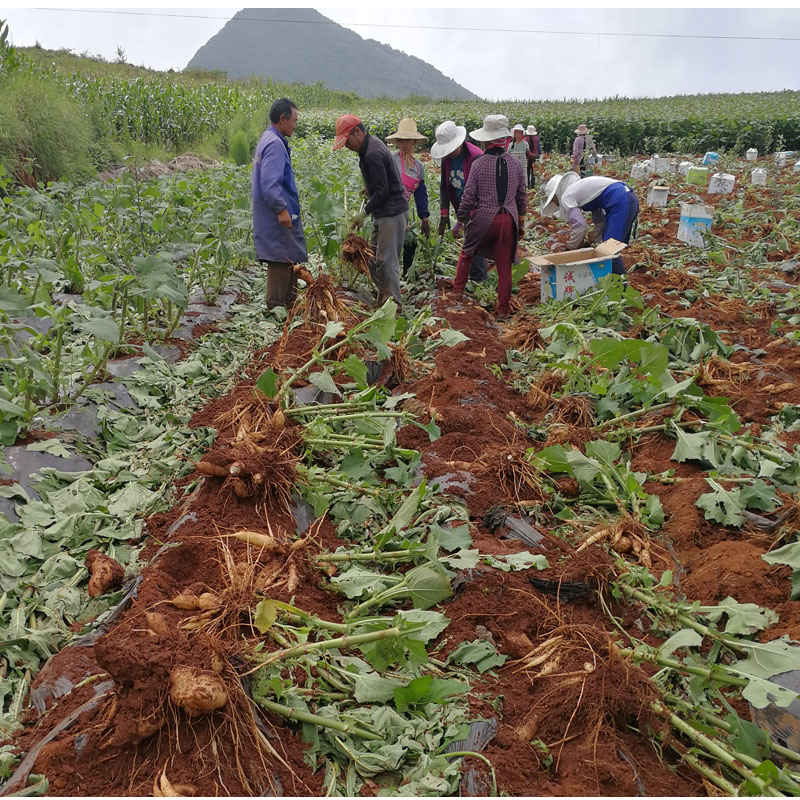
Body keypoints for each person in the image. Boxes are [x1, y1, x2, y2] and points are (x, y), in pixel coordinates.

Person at [450, 114, 526, 319]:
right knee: (504, 267)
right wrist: (521, 223)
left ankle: (456, 294)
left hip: (484, 218)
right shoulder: (515, 164)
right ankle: (502, 311)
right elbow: (521, 196)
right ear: (504, 139)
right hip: (508, 219)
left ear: (485, 141)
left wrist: (459, 222)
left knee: (467, 253)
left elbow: (468, 197)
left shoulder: (479, 164)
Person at [333, 114, 409, 308]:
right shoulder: (370, 147)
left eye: (347, 141)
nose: (347, 146)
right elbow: (383, 182)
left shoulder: (372, 154)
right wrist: (370, 188)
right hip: (385, 212)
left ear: (357, 132)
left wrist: (363, 213)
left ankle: (394, 307)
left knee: (386, 260)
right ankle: (385, 300)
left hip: (391, 213)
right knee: (372, 260)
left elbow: (383, 192)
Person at [252, 97, 307, 310]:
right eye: (294, 120)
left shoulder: (268, 139)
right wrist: (281, 209)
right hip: (275, 216)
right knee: (280, 260)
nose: (295, 124)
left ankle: (289, 306)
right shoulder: (274, 144)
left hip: (272, 215)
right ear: (282, 119)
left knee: (287, 259)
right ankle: (275, 310)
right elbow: (269, 182)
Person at [542, 174, 639, 275]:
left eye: (553, 200)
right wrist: (594, 237)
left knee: (610, 250)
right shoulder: (582, 191)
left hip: (620, 201)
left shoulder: (567, 195)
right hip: (628, 198)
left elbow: (580, 226)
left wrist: (570, 248)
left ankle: (620, 287)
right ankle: (616, 283)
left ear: (555, 195)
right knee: (611, 247)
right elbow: (600, 220)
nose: (556, 204)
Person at [430, 120, 487, 282]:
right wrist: (444, 214)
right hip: (462, 207)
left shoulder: (475, 157)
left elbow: (479, 193)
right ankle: (477, 280)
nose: (448, 153)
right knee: (471, 247)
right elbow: (444, 186)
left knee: (472, 246)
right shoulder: (446, 159)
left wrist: (460, 221)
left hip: (478, 208)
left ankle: (479, 282)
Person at [386, 118, 430, 275]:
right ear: (397, 142)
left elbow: (420, 195)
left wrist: (424, 218)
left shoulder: (418, 167)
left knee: (409, 243)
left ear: (414, 142)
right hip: (387, 211)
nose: (404, 143)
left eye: (408, 140)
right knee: (389, 248)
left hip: (402, 214)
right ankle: (388, 278)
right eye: (401, 140)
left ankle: (405, 275)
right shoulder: (390, 160)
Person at [525, 125, 541, 189]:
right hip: (535, 157)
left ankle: (528, 185)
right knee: (534, 172)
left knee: (527, 172)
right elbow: (539, 149)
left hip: (527, 158)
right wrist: (539, 155)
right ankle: (533, 185)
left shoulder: (525, 139)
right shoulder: (536, 139)